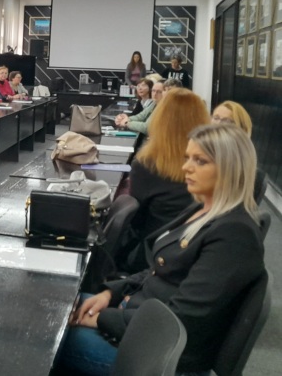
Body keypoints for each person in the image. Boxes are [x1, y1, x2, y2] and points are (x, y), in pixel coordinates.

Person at [58, 123, 265, 376]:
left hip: (157, 357)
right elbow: (160, 268)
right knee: (57, 304)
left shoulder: (234, 234)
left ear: (230, 169)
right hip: (137, 319)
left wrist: (104, 319)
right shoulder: (203, 209)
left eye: (200, 161)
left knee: (50, 334)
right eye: (188, 158)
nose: (186, 167)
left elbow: (181, 319)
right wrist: (111, 293)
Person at [120, 89, 211, 272]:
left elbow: (135, 221)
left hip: (153, 255)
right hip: (200, 254)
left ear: (160, 120)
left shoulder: (147, 164)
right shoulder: (214, 165)